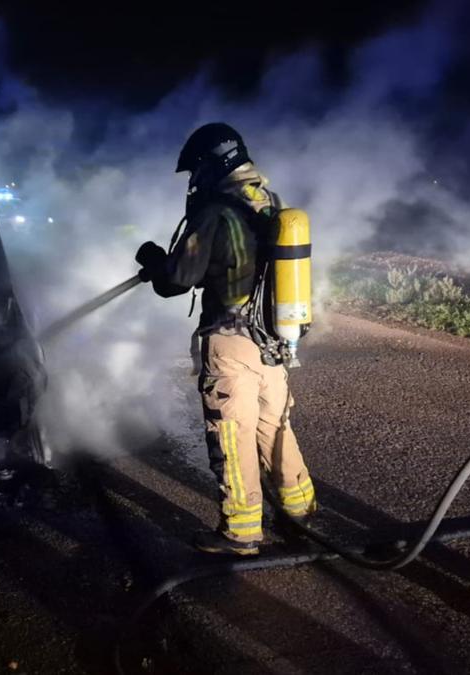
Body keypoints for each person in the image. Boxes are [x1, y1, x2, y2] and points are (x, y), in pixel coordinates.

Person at [134, 122, 318, 556]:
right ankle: (301, 514)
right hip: (275, 340)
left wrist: (153, 259)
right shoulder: (272, 203)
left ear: (209, 165)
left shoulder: (215, 212)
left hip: (231, 341)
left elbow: (179, 279)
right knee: (275, 427)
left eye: (195, 171)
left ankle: (240, 531)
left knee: (232, 433)